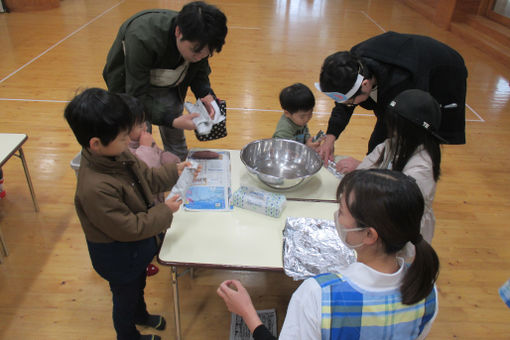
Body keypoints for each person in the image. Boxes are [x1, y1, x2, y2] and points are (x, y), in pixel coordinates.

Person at [218, 169, 440, 340]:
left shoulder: (317, 295)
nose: (337, 217)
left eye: (342, 212)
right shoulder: (427, 289)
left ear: (369, 235)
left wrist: (247, 312)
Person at [64, 88, 195, 340]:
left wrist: (174, 171)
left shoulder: (117, 153)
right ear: (95, 144)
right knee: (124, 298)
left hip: (136, 249)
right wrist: (164, 211)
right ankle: (128, 335)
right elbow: (128, 227)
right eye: (124, 137)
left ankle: (141, 315)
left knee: (138, 286)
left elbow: (146, 178)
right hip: (117, 256)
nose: (129, 142)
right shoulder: (95, 187)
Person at [315, 31, 467, 163]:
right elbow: (344, 104)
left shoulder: (399, 84)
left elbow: (388, 127)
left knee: (422, 133)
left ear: (366, 85)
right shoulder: (352, 67)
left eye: (349, 102)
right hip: (412, 56)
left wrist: (369, 164)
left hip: (444, 71)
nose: (346, 104)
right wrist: (331, 136)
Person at [103, 1, 228, 160]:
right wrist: (172, 120)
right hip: (131, 84)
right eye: (195, 51)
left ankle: (178, 163)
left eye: (206, 54)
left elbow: (199, 70)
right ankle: (141, 168)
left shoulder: (199, 39)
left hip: (169, 79)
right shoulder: (142, 37)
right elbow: (136, 95)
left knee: (173, 125)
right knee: (138, 134)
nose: (199, 57)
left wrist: (205, 93)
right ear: (178, 31)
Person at [337, 89, 442, 244]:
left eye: (395, 126)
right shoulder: (395, 144)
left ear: (409, 130)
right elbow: (368, 167)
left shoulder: (421, 170)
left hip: (399, 233)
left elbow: (395, 209)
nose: (391, 132)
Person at [272, 83, 321, 149]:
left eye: (310, 113)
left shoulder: (299, 120)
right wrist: (306, 147)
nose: (307, 119)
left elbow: (305, 133)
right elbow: (287, 151)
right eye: (302, 116)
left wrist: (309, 140)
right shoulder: (284, 130)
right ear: (287, 113)